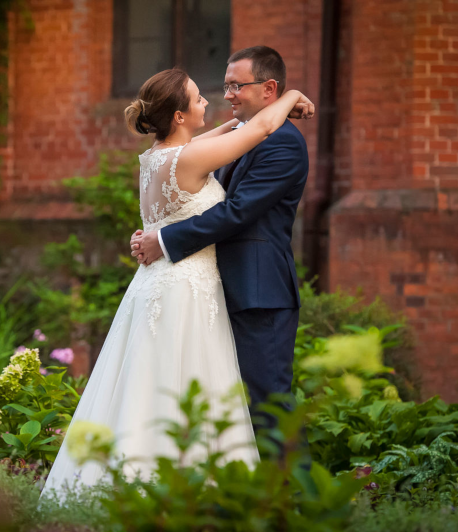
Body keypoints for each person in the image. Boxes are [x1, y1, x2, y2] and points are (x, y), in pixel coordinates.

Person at [40, 64, 313, 497]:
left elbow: (230, 130)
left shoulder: (155, 157)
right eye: (199, 96)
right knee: (190, 384)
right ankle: (196, 493)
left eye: (225, 89)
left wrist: (160, 237)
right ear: (180, 116)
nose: (211, 99)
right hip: (187, 288)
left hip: (158, 284)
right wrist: (292, 94)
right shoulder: (191, 157)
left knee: (149, 383)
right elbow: (258, 127)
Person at [130, 46, 310, 451]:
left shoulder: (281, 143)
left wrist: (162, 238)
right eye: (222, 86)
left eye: (235, 86)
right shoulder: (226, 139)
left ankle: (295, 503)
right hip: (209, 291)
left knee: (268, 405)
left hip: (256, 291)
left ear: (268, 88)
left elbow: (238, 212)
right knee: (221, 410)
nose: (225, 95)